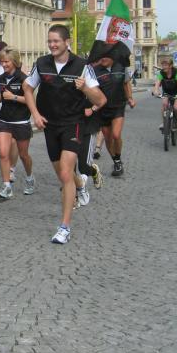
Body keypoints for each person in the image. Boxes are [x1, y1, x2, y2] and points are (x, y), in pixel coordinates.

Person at [23, 25, 106, 244]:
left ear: (67, 42)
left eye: (56, 41)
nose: (52, 45)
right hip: (50, 125)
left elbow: (101, 100)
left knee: (66, 172)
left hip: (73, 124)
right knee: (62, 174)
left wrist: (85, 89)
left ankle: (64, 227)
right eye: (49, 41)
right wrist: (35, 114)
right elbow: (27, 88)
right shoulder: (42, 63)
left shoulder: (82, 66)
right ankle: (81, 185)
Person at [0, 47, 35, 199]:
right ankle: (6, 186)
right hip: (4, 120)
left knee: (23, 155)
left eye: (7, 62)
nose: (4, 64)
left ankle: (30, 178)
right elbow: (2, 92)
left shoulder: (24, 79)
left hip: (21, 121)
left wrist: (14, 97)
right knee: (3, 153)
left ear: (15, 62)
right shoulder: (0, 78)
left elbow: (31, 101)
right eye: (2, 61)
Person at [91, 50, 136, 176]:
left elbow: (126, 83)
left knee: (116, 135)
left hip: (118, 106)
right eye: (101, 57)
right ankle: (116, 161)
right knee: (108, 138)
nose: (102, 59)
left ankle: (118, 157)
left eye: (105, 57)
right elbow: (92, 89)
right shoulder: (95, 70)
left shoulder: (121, 66)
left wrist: (130, 98)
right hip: (103, 109)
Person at [0, 40, 19, 183]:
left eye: (2, 57)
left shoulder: (14, 67)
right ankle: (5, 158)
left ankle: (11, 168)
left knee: (12, 142)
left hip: (9, 109)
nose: (0, 60)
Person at [153, 57, 177, 132]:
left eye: (166, 65)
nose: (164, 67)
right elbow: (157, 83)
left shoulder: (176, 73)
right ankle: (164, 122)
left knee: (176, 107)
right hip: (167, 92)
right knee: (164, 104)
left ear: (170, 66)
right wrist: (156, 91)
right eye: (163, 65)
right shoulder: (161, 73)